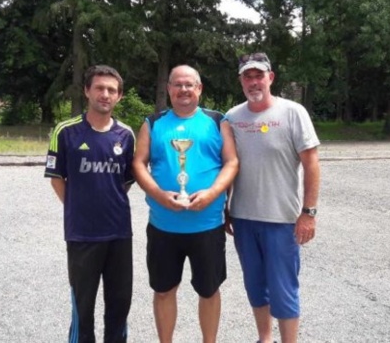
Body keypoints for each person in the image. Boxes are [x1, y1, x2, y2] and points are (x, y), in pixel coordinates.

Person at [132, 65, 238, 343]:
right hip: (164, 225)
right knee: (164, 290)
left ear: (199, 88)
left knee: (209, 290)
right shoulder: (153, 123)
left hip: (207, 225)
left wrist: (213, 193)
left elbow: (232, 162)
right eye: (177, 84)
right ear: (168, 89)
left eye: (189, 84)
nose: (183, 90)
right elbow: (138, 163)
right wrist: (158, 194)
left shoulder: (217, 121)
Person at [225, 52, 321, 343]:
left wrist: (309, 212)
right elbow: (230, 164)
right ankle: (264, 338)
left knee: (283, 289)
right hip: (243, 218)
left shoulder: (293, 112)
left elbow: (312, 163)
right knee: (255, 286)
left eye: (258, 75)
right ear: (241, 80)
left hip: (281, 220)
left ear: (270, 77)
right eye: (247, 76)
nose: (253, 82)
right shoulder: (232, 117)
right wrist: (226, 210)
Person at [45, 65, 136, 343]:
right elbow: (57, 178)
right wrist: (79, 206)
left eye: (111, 90)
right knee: (82, 309)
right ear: (87, 91)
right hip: (82, 234)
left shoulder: (126, 135)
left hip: (119, 234)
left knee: (119, 305)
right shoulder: (65, 131)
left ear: (119, 96)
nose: (105, 94)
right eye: (99, 88)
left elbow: (127, 181)